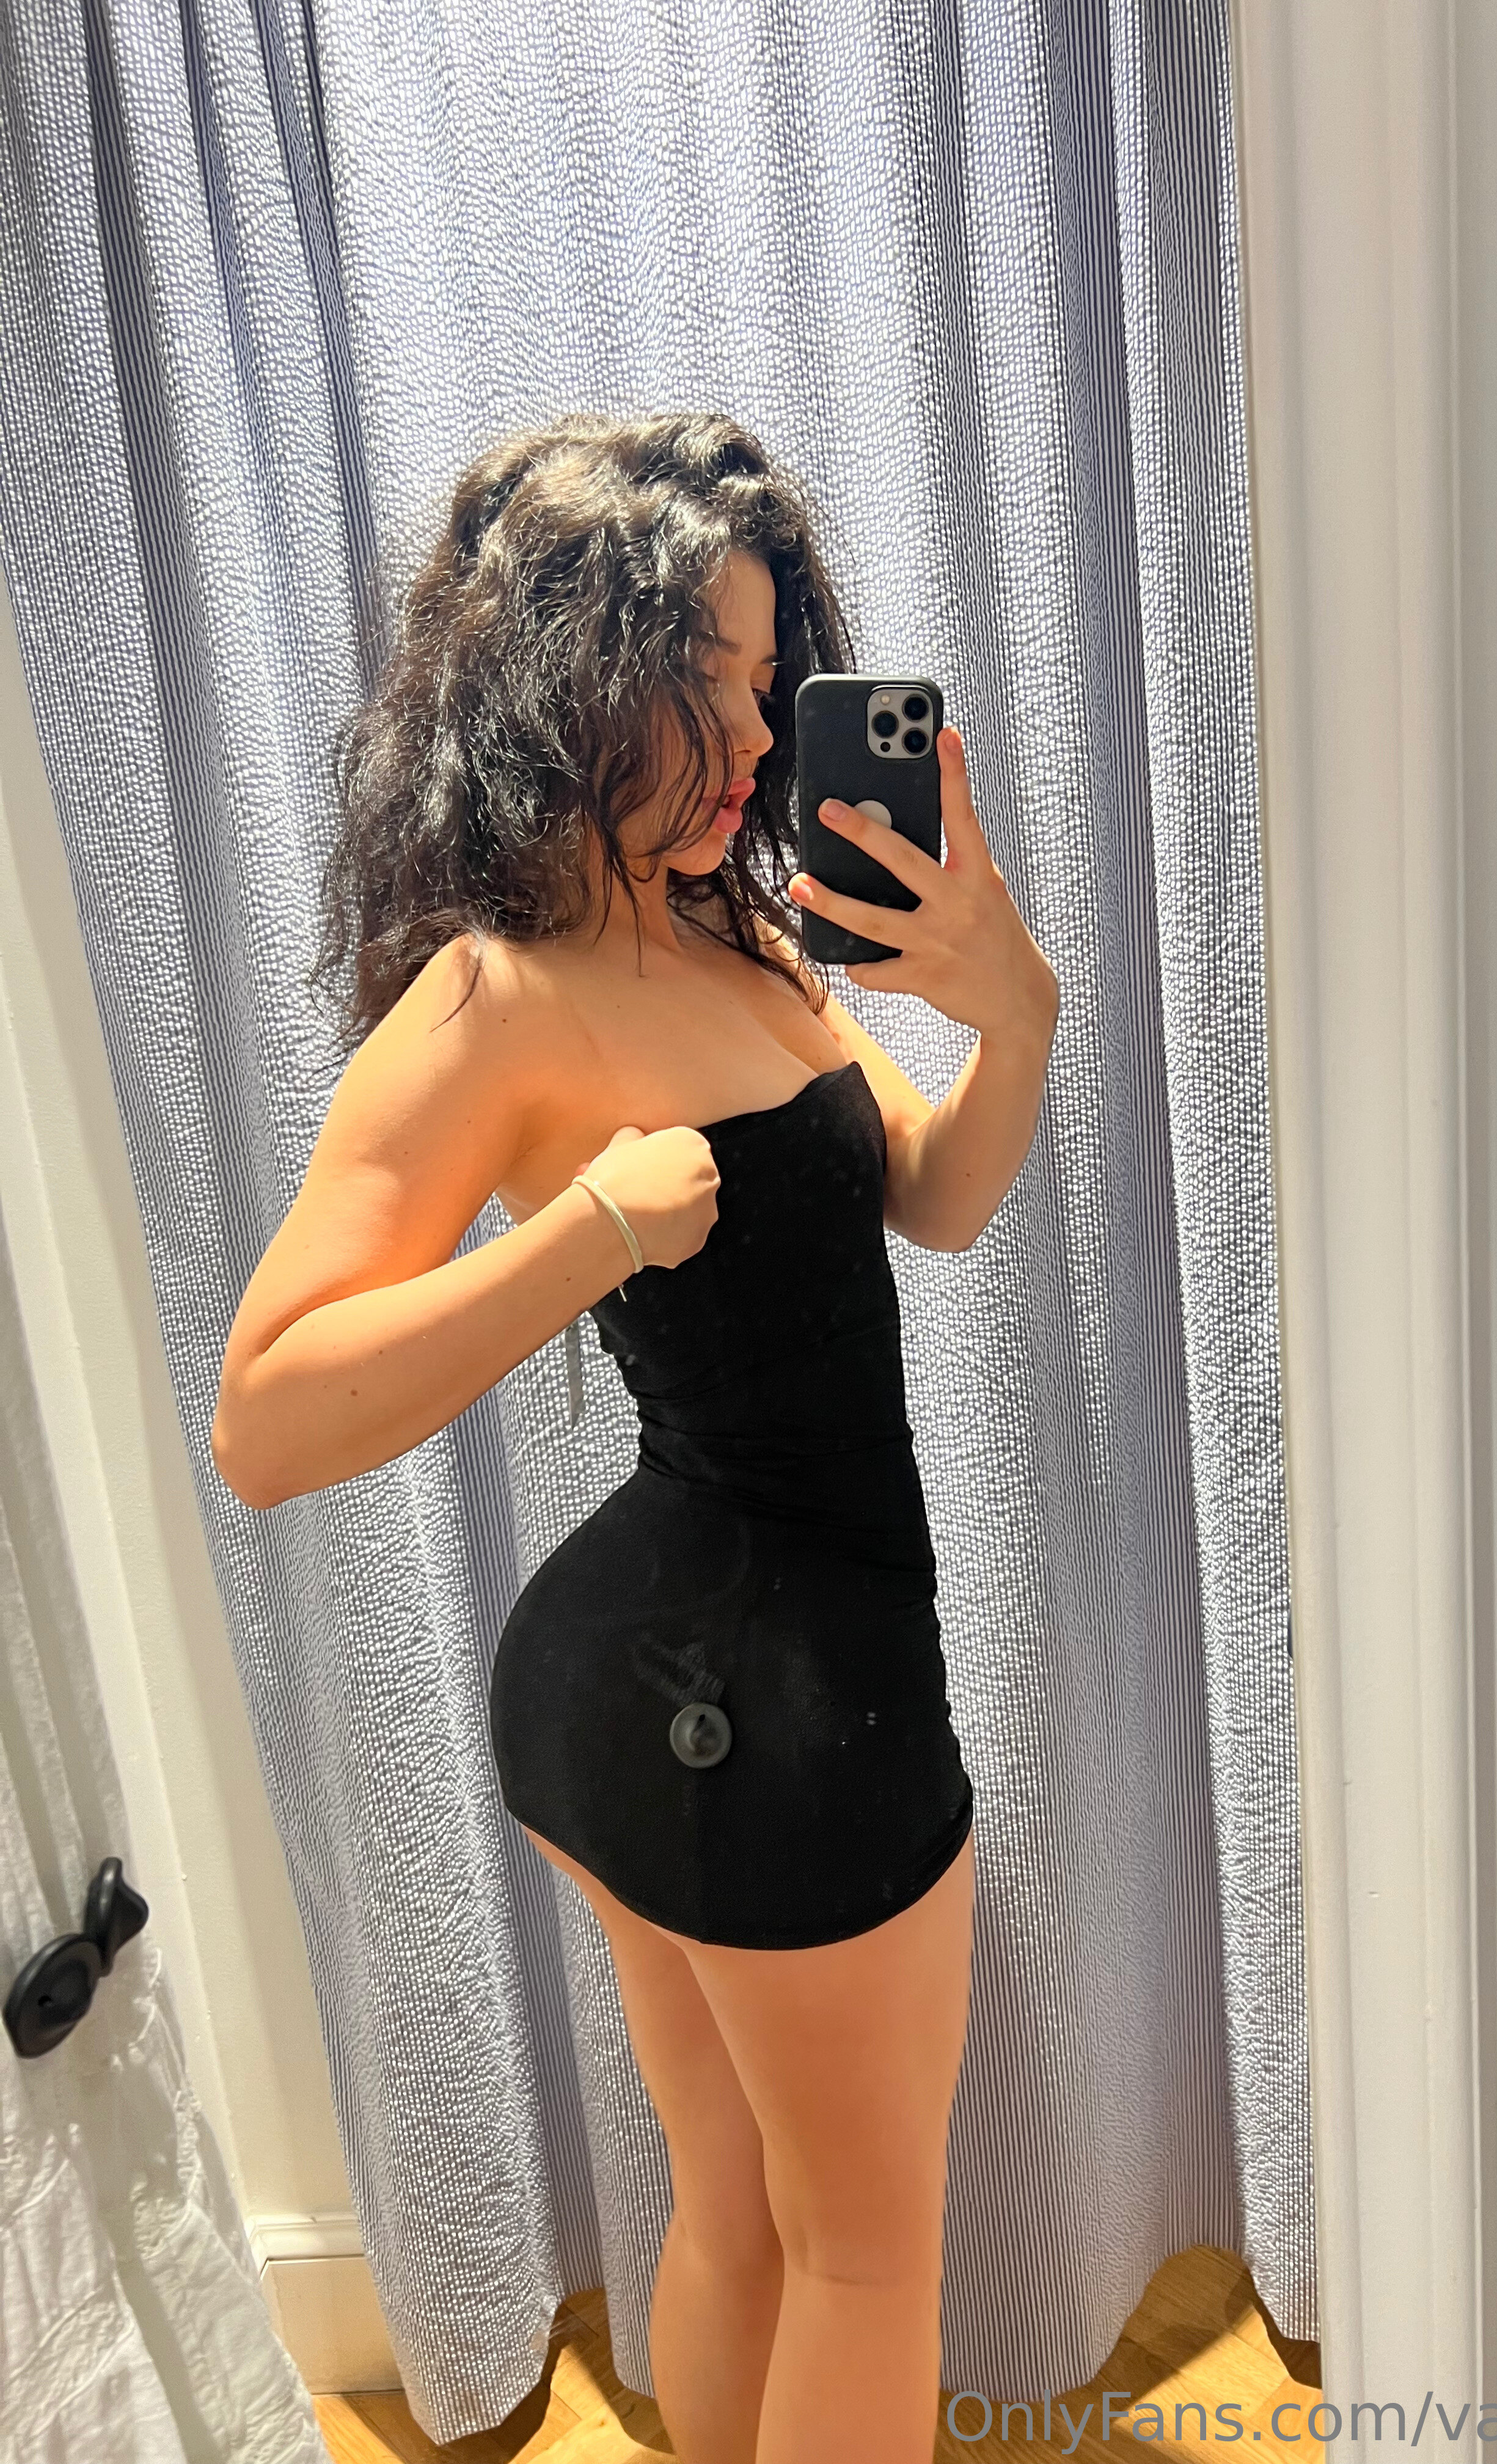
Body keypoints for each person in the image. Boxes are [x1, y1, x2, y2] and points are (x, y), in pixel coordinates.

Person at [211, 409, 1059, 2464]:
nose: (761, 739)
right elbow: (264, 1420)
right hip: (771, 1709)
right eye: (716, 685)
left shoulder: (739, 935)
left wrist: (1011, 1000)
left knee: (754, 2215)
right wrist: (587, 1231)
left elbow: (934, 1195)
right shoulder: (495, 1000)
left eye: (772, 685)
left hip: (684, 1681)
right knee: (868, 2255)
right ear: (576, 679)